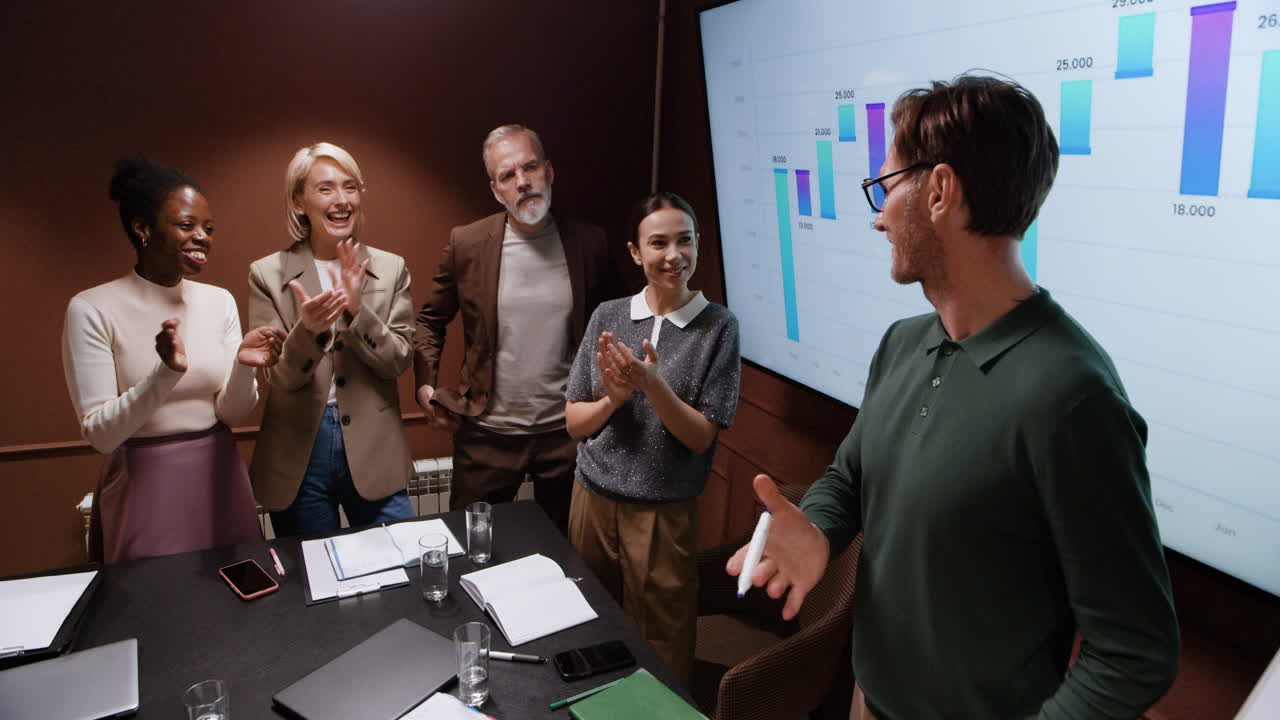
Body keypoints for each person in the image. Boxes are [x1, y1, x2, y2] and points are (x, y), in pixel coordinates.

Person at [728, 75, 1180, 719]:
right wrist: (821, 529)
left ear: (939, 191)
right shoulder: (902, 343)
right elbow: (851, 476)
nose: (879, 216)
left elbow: (1136, 652)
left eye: (886, 187)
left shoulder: (1073, 396)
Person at [62, 154, 284, 563]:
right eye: (187, 225)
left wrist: (243, 367)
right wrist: (163, 373)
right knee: (156, 609)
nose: (202, 237)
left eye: (208, 229)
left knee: (236, 600)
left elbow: (232, 416)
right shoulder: (91, 308)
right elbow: (101, 435)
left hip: (219, 474)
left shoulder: (218, 301)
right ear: (142, 228)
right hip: (144, 485)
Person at [565, 192, 740, 684]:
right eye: (658, 243)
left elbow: (702, 436)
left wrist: (652, 384)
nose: (673, 255)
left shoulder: (719, 327)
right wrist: (613, 400)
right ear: (635, 252)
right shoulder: (608, 315)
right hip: (592, 501)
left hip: (663, 512)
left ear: (699, 245)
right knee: (586, 622)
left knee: (662, 639)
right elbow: (575, 422)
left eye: (684, 241)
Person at [414, 124, 619, 534]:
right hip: (487, 435)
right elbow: (429, 321)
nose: (522, 181)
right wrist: (425, 384)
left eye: (530, 167)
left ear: (549, 172)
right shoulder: (467, 244)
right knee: (470, 550)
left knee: (570, 557)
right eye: (508, 175)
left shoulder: (590, 244)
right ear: (496, 190)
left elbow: (622, 321)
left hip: (568, 436)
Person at [248, 142, 415, 538]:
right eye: (325, 189)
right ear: (299, 201)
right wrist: (308, 331)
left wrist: (359, 313)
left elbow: (399, 360)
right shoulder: (266, 274)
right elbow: (280, 378)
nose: (341, 200)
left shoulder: (391, 269)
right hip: (299, 451)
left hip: (375, 447)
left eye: (350, 187)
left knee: (400, 567)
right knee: (314, 578)